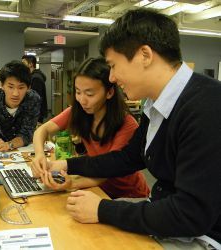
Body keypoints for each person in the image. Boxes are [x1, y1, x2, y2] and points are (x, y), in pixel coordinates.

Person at [31, 9, 221, 250]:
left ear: (145, 55)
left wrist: (103, 210)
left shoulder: (207, 106)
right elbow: (127, 158)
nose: (111, 77)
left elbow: (190, 215)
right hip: (167, 221)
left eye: (113, 65)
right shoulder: (157, 104)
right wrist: (65, 165)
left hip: (204, 237)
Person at [32, 57, 150, 199]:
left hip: (129, 195)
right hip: (97, 188)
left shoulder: (127, 124)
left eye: (89, 94)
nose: (82, 100)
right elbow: (42, 130)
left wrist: (72, 183)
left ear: (109, 92)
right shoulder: (78, 110)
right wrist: (39, 155)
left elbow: (108, 169)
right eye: (78, 92)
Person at [22, 55, 48, 123]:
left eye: (23, 63)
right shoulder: (32, 76)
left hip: (36, 114)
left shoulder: (36, 78)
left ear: (30, 64)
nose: (22, 65)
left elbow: (35, 98)